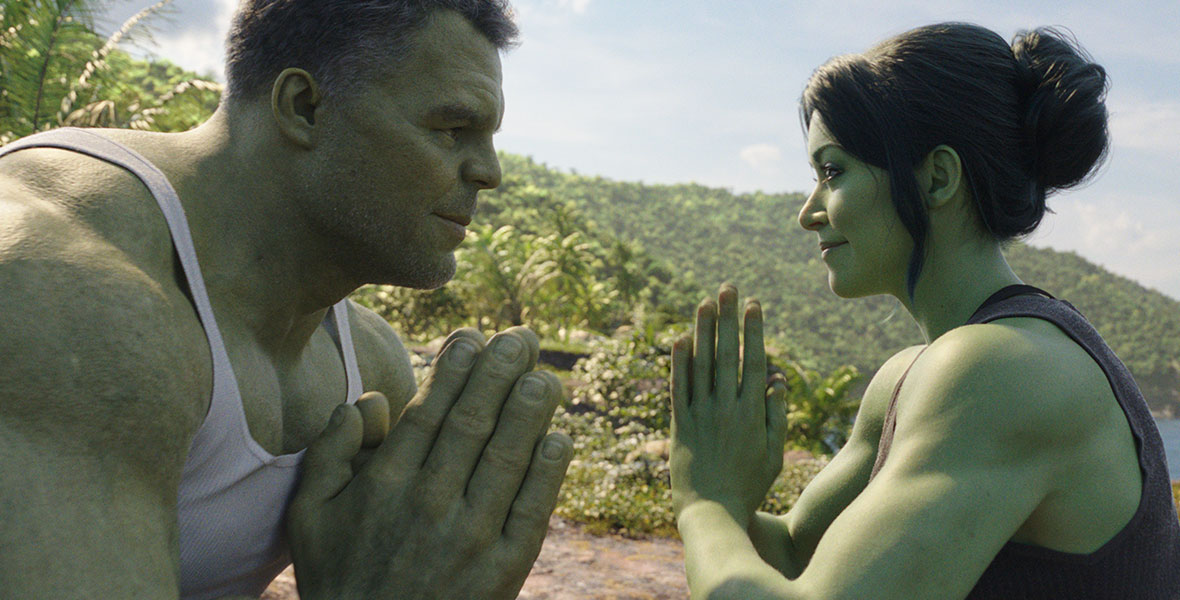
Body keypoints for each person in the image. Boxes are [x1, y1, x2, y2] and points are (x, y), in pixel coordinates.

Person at [0, 1, 574, 598]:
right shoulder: (62, 294)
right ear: (304, 107)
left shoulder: (372, 368)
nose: (489, 172)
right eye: (451, 129)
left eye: (489, 137)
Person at [669, 23, 1180, 599]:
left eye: (833, 171)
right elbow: (791, 551)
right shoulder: (911, 377)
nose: (808, 213)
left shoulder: (1004, 371)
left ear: (937, 177)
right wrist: (716, 480)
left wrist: (703, 504)